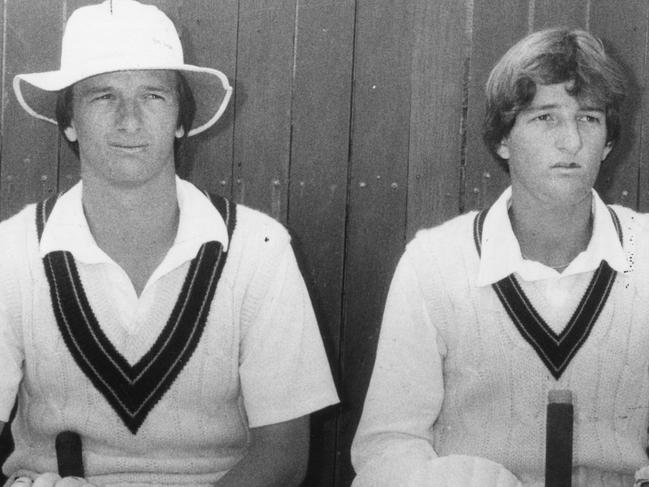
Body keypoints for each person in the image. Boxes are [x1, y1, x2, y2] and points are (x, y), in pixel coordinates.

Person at [0, 1, 339, 486]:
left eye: (154, 96)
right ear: (68, 120)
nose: (130, 120)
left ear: (183, 119)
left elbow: (283, 457)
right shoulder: (10, 253)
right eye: (102, 97)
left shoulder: (258, 247)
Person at [351, 27, 649, 487]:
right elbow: (388, 445)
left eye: (588, 118)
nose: (570, 141)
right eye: (545, 118)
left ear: (609, 142)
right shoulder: (434, 262)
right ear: (503, 138)